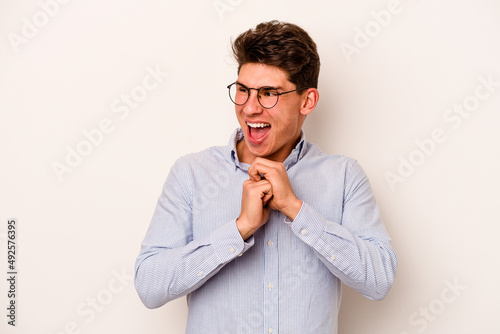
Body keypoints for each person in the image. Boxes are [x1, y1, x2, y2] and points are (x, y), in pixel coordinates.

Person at [134, 20, 397, 334]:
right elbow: (149, 285)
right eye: (243, 90)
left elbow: (380, 280)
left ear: (307, 101)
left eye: (268, 93)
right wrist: (239, 229)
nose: (249, 108)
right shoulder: (192, 174)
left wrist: (296, 210)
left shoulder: (343, 177)